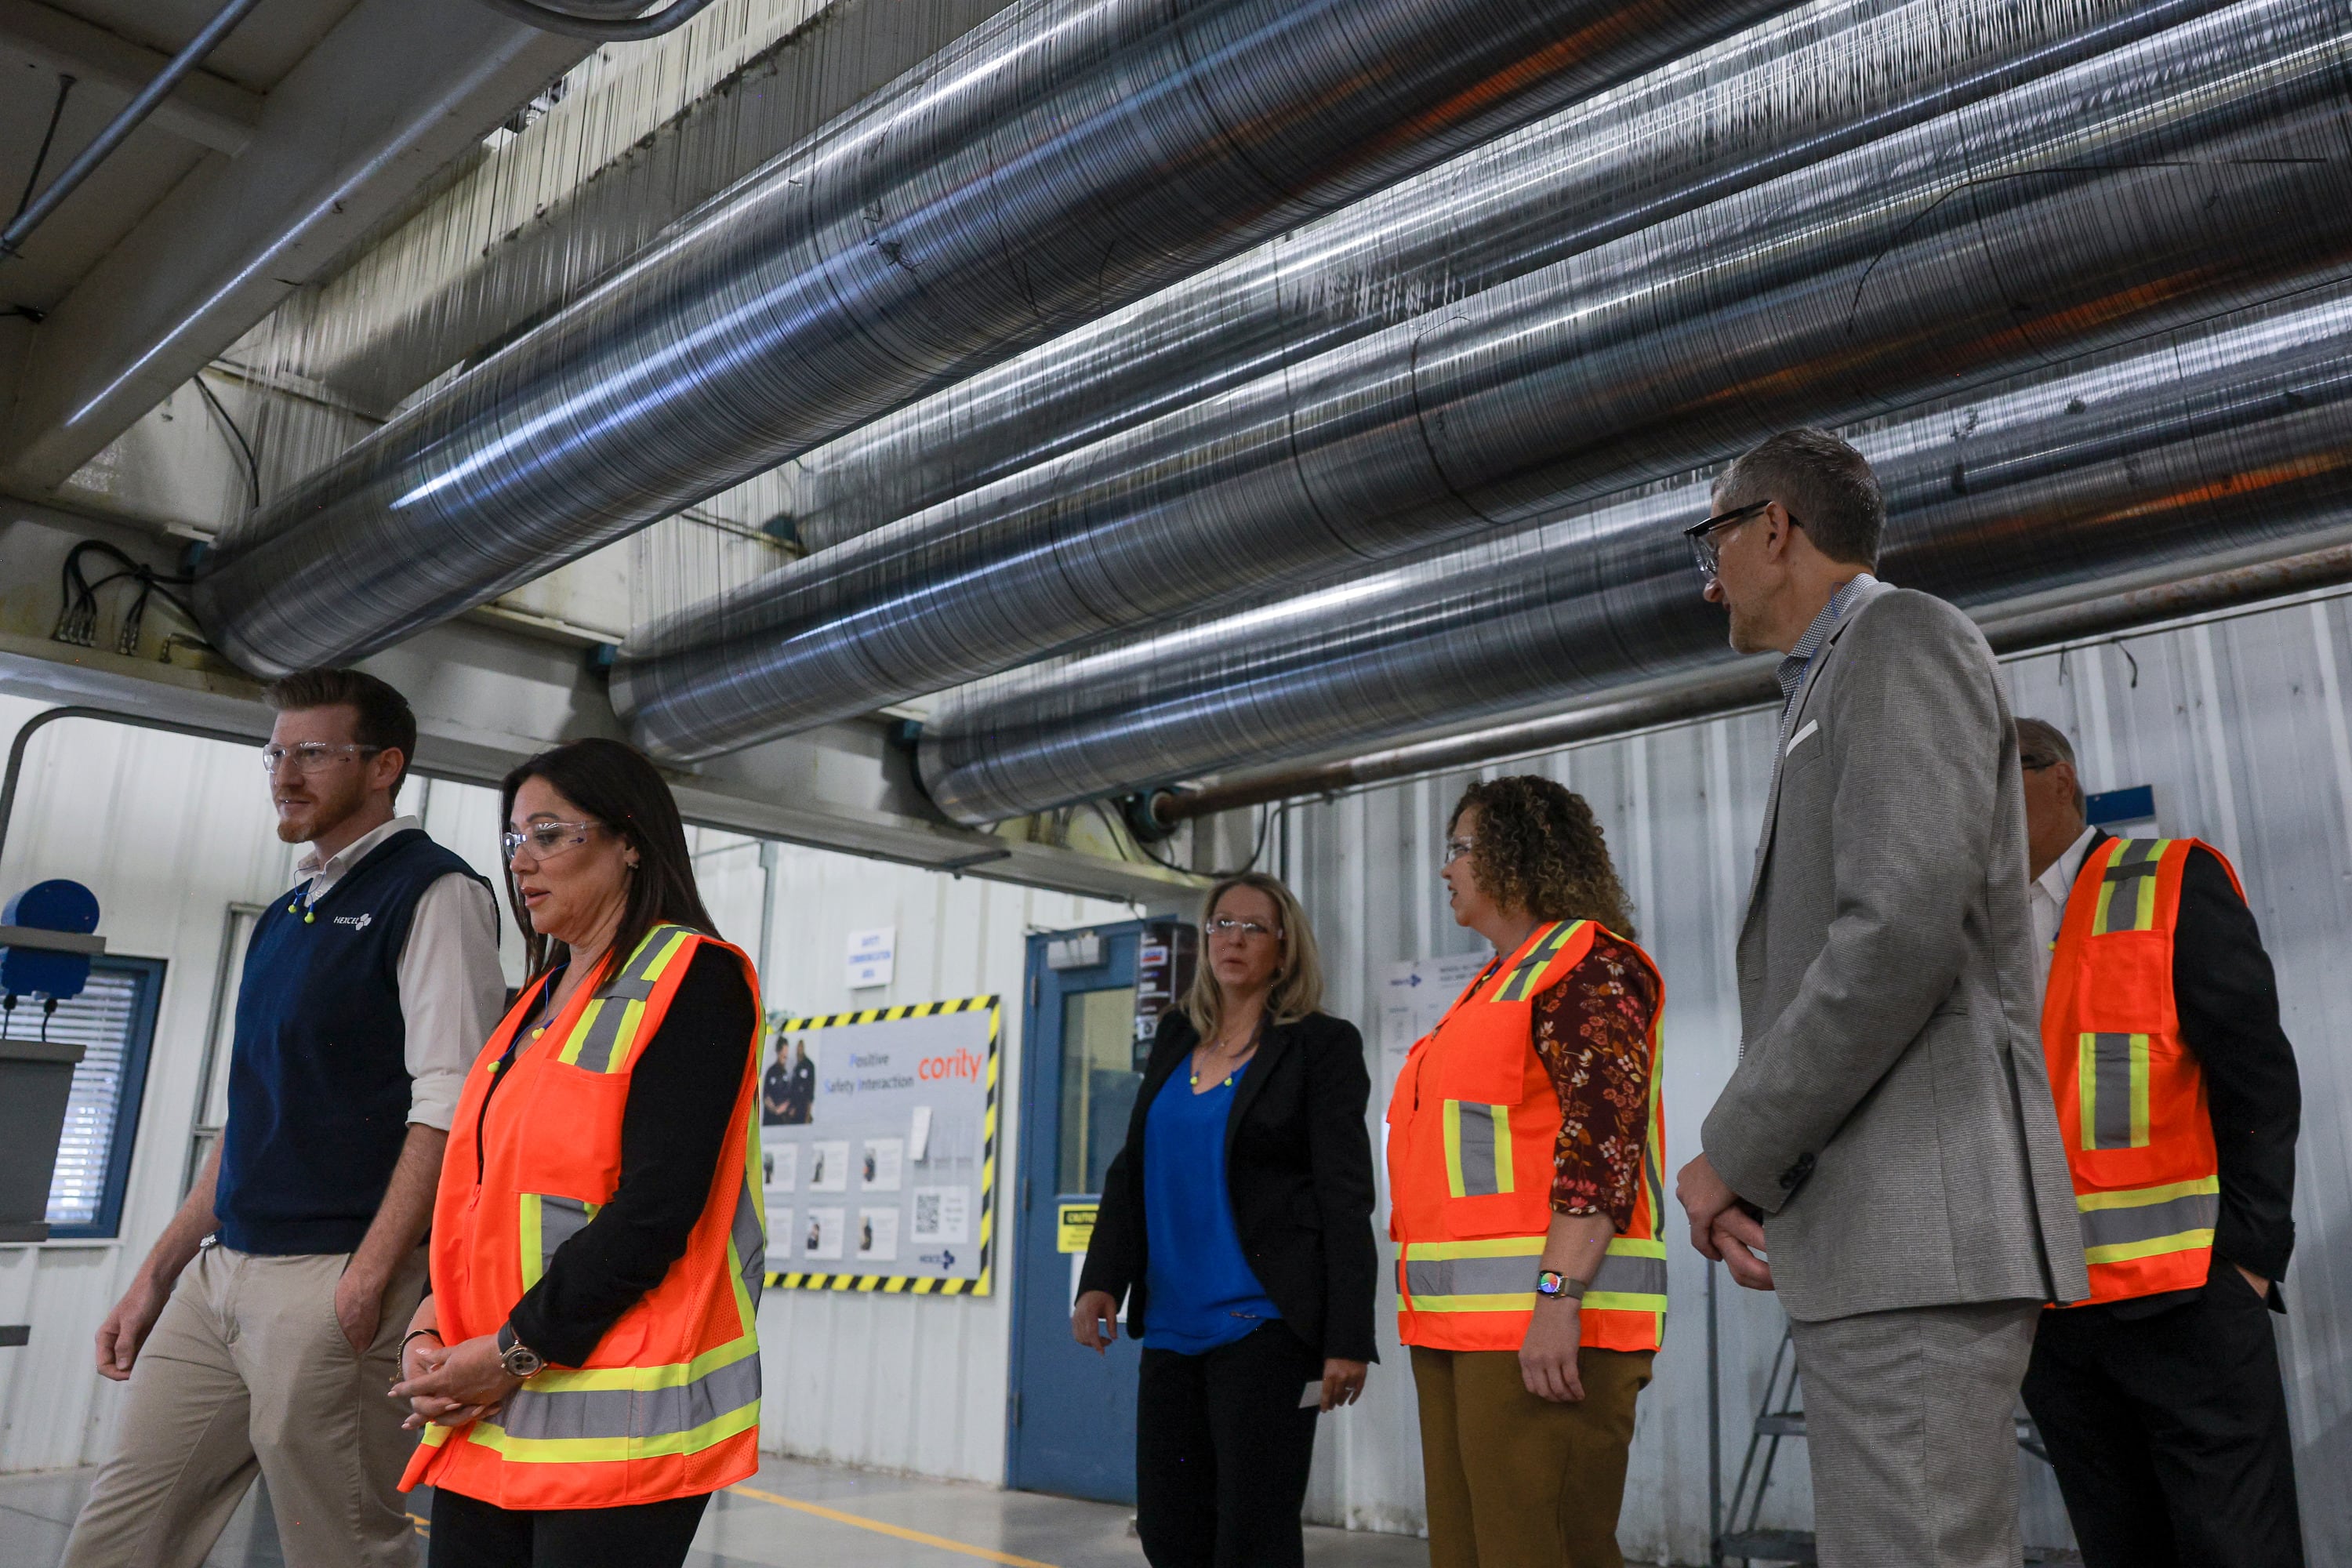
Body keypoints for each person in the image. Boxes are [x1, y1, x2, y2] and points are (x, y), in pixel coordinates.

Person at [1670, 429, 2087, 1568]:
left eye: (1712, 535)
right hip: (1880, 1235)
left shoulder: (1903, 640)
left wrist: (1735, 1151)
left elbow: (1895, 936)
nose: (1708, 573)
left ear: (1772, 527)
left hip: (1922, 1234)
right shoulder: (1833, 680)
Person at [62, 669, 506, 1568]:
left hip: (333, 1277)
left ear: (386, 765)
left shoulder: (434, 893)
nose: (284, 772)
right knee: (121, 1532)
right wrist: (159, 1270)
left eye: (313, 752)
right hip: (222, 1274)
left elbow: (449, 1105)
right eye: (276, 751)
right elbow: (251, 1114)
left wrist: (372, 1273)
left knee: (340, 1544)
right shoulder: (287, 912)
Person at [390, 738, 764, 1568]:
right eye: (515, 838)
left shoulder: (694, 976)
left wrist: (512, 1349)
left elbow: (657, 1210)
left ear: (631, 839)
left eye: (551, 833)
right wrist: (431, 1326)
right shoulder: (528, 1007)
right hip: (489, 1403)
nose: (523, 859)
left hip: (617, 1422)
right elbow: (476, 1202)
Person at [2009, 717, 2304, 1566]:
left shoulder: (2168, 877)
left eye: (2001, 775)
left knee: (2233, 1546)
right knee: (2120, 1545)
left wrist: (2249, 1258)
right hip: (2053, 1315)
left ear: (2060, 779)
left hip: (2188, 1299)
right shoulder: (1971, 927)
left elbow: (2257, 1074)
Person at [1389, 775, 1668, 1568]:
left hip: (1546, 1329)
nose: (1447, 869)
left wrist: (1558, 1297)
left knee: (1544, 1551)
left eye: (1461, 848)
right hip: (1460, 1330)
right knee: (1474, 1554)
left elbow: (1603, 1145)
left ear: (1519, 851)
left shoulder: (1588, 966)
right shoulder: (1492, 984)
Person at [1073, 871, 1377, 1568]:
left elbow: (1344, 1196)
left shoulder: (1320, 1047)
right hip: (1174, 1329)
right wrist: (1102, 1282)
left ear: (1284, 948)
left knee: (1254, 1537)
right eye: (1220, 925)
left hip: (1267, 1330)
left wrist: (1347, 1337)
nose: (1232, 939)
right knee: (1171, 1533)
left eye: (1252, 927)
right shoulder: (1179, 1036)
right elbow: (1131, 1169)